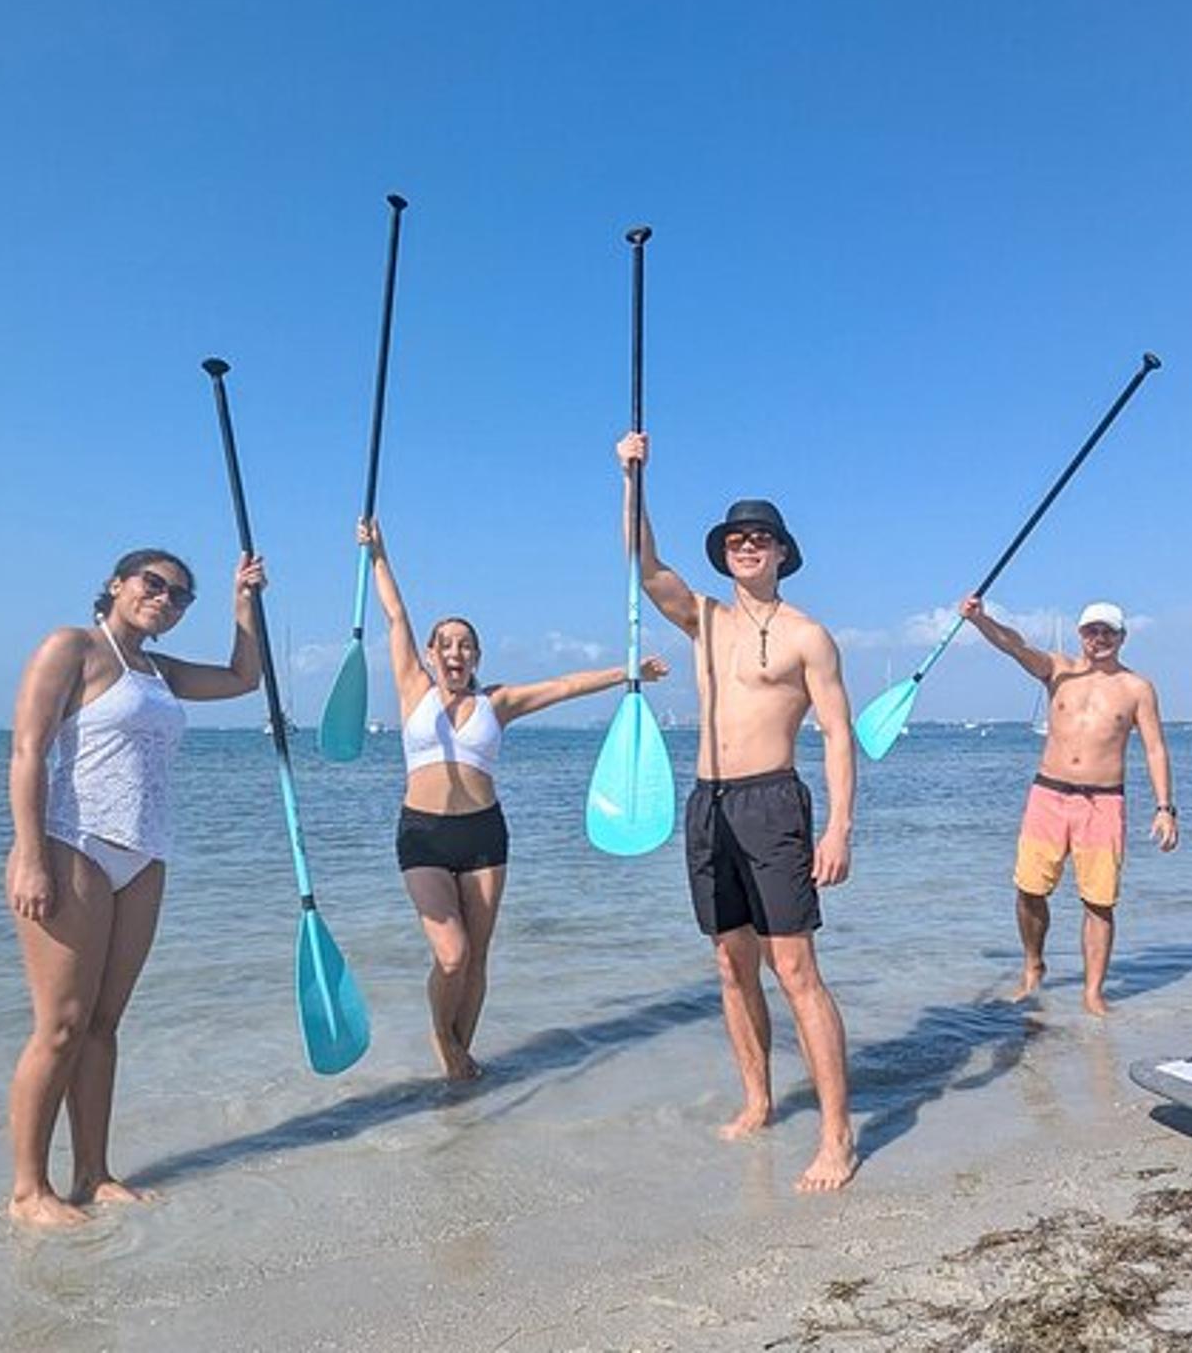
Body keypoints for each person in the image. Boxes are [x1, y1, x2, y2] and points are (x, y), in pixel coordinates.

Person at [614, 431, 859, 1193]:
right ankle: (757, 1098)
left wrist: (839, 825)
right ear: (726, 554)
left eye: (761, 537)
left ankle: (836, 1133)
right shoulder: (704, 618)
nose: (748, 546)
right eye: (737, 539)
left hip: (772, 800)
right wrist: (633, 479)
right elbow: (644, 563)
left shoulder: (808, 636)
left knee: (795, 968)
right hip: (708, 803)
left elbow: (840, 734)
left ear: (782, 551)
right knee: (729, 963)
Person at [4, 547, 266, 1228]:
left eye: (182, 596)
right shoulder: (73, 647)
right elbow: (28, 751)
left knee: (102, 1024)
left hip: (145, 854)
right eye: (155, 584)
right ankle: (29, 1190)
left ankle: (93, 1172)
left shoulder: (161, 670)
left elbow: (244, 678)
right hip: (73, 846)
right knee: (60, 1026)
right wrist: (31, 855)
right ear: (117, 584)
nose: (166, 599)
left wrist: (243, 602)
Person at [360, 518, 668, 1081]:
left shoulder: (497, 702)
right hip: (422, 835)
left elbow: (565, 686)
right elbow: (396, 616)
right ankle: (442, 1040)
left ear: (476, 656)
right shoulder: (412, 689)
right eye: (445, 644)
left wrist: (630, 672)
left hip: (484, 835)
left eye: (465, 645)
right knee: (450, 953)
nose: (455, 652)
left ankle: (460, 1062)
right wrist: (379, 554)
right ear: (430, 654)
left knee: (477, 956)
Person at [958, 596, 1178, 1016]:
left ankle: (1093, 992)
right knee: (1029, 889)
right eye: (1092, 631)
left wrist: (1165, 807)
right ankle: (1032, 966)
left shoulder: (1137, 689)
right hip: (1048, 795)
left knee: (1099, 901)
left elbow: (1154, 749)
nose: (1100, 639)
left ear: (1122, 637)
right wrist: (981, 620)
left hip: (1104, 802)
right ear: (1081, 635)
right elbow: (1013, 646)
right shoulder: (1057, 669)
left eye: (1109, 632)